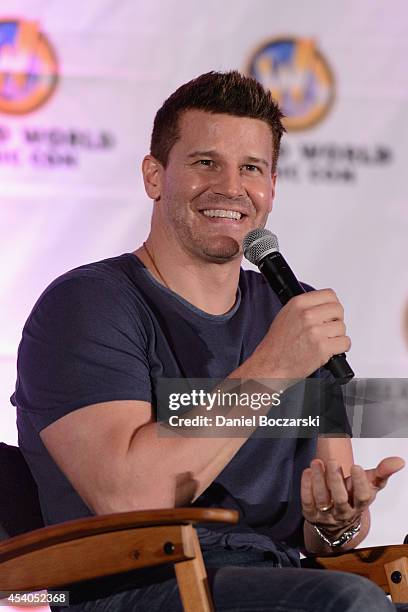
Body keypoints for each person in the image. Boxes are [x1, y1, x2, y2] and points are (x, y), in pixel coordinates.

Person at [12, 71, 406, 611]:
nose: (230, 186)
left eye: (251, 168)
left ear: (271, 188)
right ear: (155, 176)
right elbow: (129, 500)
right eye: (205, 163)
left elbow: (326, 529)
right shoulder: (87, 305)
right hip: (138, 588)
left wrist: (336, 521)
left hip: (281, 579)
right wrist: (273, 365)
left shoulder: (293, 312)